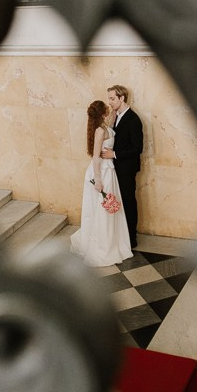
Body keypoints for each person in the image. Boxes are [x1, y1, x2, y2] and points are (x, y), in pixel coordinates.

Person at [70, 99, 132, 267]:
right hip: (101, 172)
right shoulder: (99, 131)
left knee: (109, 205)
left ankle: (113, 241)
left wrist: (118, 107)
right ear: (103, 113)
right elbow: (96, 157)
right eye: (107, 106)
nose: (109, 107)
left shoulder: (105, 127)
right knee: (102, 207)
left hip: (109, 171)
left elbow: (112, 118)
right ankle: (102, 246)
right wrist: (97, 179)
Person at [102, 84, 143, 251]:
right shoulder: (116, 116)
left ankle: (132, 239)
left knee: (128, 201)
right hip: (116, 168)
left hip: (127, 168)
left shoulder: (133, 119)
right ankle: (123, 235)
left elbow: (137, 148)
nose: (110, 102)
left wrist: (114, 154)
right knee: (119, 201)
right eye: (109, 98)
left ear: (122, 98)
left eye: (112, 98)